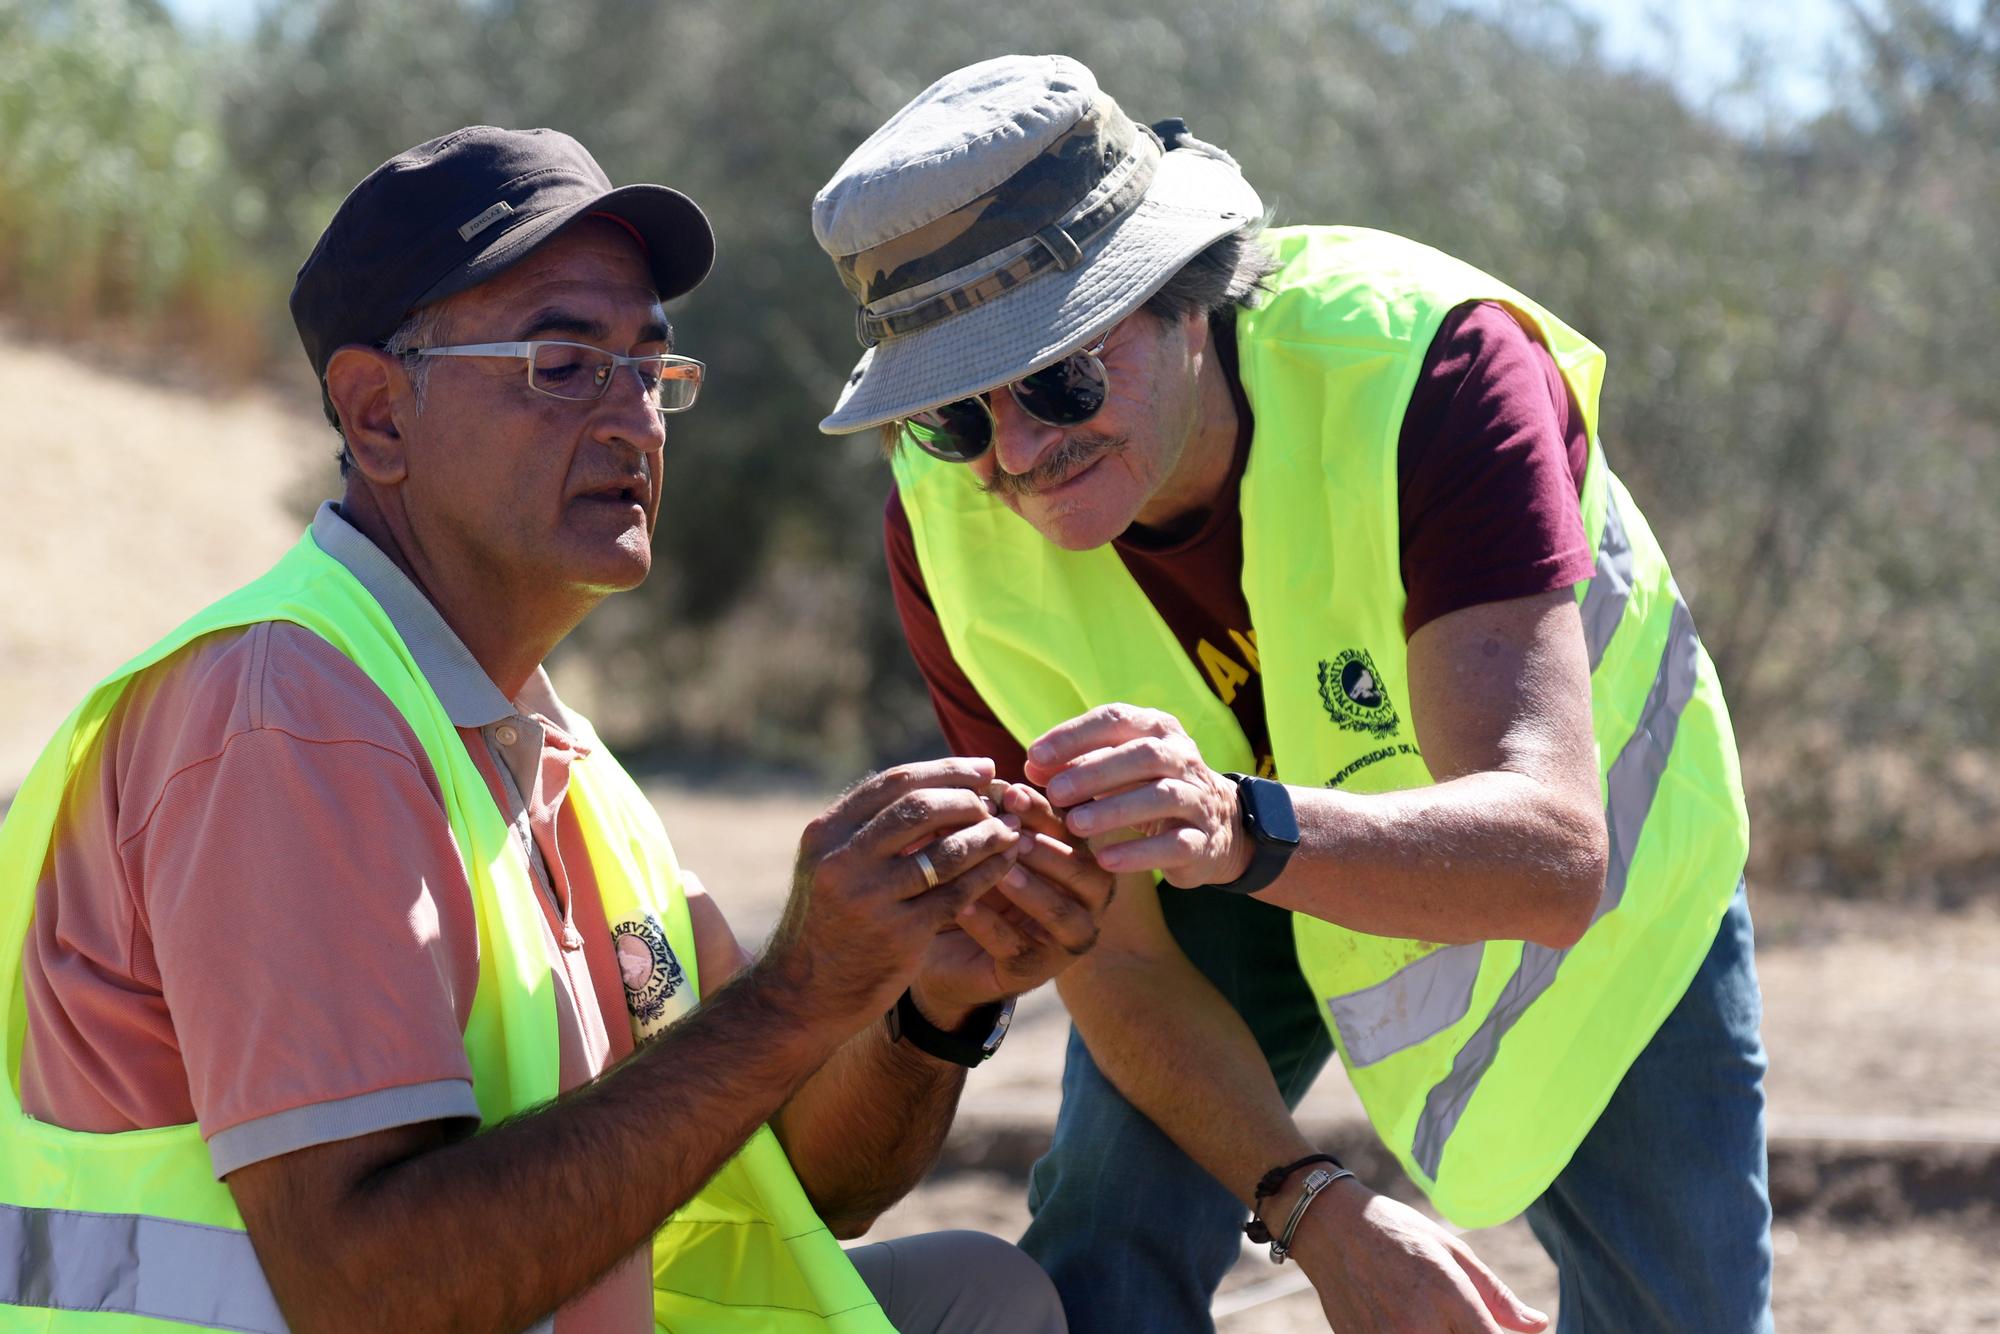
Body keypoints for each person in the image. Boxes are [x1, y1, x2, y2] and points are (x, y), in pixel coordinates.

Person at [0, 125, 1107, 1333]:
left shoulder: (554, 757)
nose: (635, 421)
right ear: (377, 415)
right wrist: (794, 992)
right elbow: (373, 1289)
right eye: (561, 363)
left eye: (650, 367)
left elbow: (806, 1180)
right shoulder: (285, 714)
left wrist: (930, 1003)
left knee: (975, 1292)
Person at [811, 55, 1770, 1334]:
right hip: (1222, 860)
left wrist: (1235, 826)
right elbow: (1117, 958)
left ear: (1179, 295)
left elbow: (1548, 854)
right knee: (1106, 1245)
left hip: (1606, 907)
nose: (1018, 452)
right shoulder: (942, 530)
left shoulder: (1425, 368)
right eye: (952, 418)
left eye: (1058, 378)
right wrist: (1310, 1205)